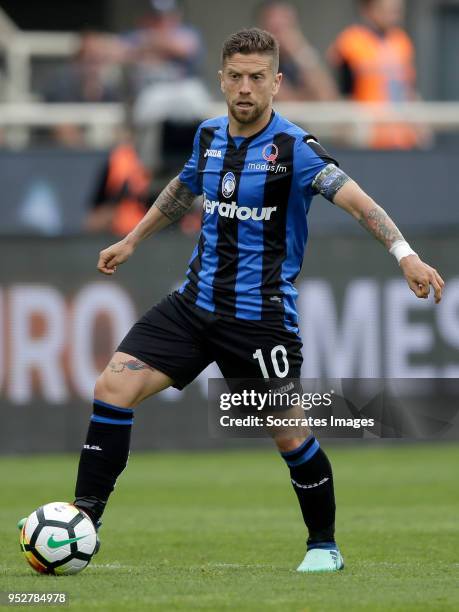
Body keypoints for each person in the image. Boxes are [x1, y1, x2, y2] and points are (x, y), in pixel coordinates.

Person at [20, 28, 443, 574]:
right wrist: (131, 240)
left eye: (258, 78)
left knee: (289, 432)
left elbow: (360, 203)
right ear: (221, 79)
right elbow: (181, 189)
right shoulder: (208, 135)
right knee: (113, 387)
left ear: (276, 83)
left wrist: (404, 254)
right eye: (237, 77)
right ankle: (84, 520)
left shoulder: (296, 148)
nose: (246, 88)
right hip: (193, 305)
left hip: (260, 319)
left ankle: (324, 546)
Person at [328, 0, 428, 149]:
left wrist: (420, 128)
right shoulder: (350, 42)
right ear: (368, 9)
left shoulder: (402, 41)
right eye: (386, 8)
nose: (393, 14)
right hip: (368, 138)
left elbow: (409, 89)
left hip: (403, 138)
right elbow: (343, 94)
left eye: (396, 9)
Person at [256, 0, 338, 101]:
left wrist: (300, 50)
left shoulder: (299, 60)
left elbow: (328, 97)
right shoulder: (256, 65)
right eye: (275, 28)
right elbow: (288, 102)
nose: (281, 34)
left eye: (287, 26)